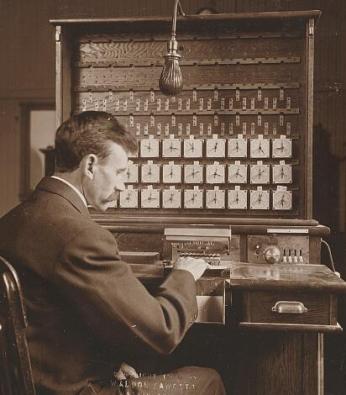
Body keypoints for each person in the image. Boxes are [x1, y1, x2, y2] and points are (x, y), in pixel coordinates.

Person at [0, 111, 226, 395]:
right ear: (90, 165)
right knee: (206, 379)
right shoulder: (81, 236)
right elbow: (161, 331)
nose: (122, 185)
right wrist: (184, 275)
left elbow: (50, 321)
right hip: (81, 390)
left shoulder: (10, 222)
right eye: (120, 172)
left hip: (34, 384)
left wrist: (108, 363)